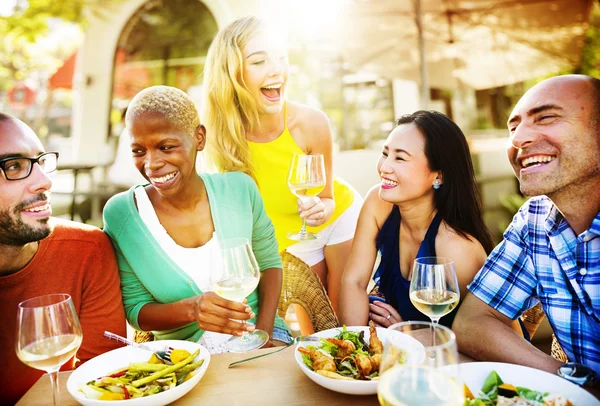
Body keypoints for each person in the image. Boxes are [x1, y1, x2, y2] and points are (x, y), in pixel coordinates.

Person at [102, 86, 291, 354]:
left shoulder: (239, 189)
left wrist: (263, 334)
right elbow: (135, 310)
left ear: (198, 138)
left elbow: (270, 264)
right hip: (186, 354)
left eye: (166, 147)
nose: (152, 164)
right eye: (138, 151)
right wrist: (192, 309)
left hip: (262, 331)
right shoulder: (122, 215)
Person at [202, 17, 362, 328]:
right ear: (232, 73)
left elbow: (328, 197)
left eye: (281, 58)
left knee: (339, 321)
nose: (277, 70)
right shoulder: (216, 135)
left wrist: (321, 207)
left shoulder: (311, 123)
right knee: (304, 330)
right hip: (279, 241)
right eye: (259, 61)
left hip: (331, 223)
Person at [453, 75, 600, 379]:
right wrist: (570, 379)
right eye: (513, 127)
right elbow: (472, 323)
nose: (518, 139)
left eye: (546, 118)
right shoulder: (534, 219)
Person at [0, 113, 126, 406]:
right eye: (14, 166)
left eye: (41, 161)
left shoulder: (86, 250)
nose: (43, 181)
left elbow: (103, 383)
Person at [339, 111, 496, 329]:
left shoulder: (456, 248)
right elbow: (353, 282)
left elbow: (487, 334)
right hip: (399, 349)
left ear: (438, 176)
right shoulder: (378, 203)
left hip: (453, 357)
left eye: (400, 158)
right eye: (385, 154)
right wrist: (358, 348)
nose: (384, 167)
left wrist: (409, 334)